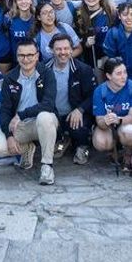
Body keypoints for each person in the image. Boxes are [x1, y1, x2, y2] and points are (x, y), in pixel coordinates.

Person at [0, 39, 60, 185]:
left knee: (45, 117)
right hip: (20, 125)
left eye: (30, 55)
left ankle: (47, 166)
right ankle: (27, 148)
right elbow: (5, 110)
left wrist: (21, 114)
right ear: (17, 57)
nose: (26, 59)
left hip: (42, 122)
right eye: (21, 55)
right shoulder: (10, 77)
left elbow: (48, 104)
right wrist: (9, 135)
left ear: (37, 56)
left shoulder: (47, 73)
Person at [46, 33, 96, 165]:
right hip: (54, 114)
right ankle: (62, 141)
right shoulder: (43, 69)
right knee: (45, 121)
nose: (63, 52)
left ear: (71, 50)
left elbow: (93, 95)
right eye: (58, 49)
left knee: (79, 128)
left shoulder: (83, 69)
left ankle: (83, 146)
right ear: (52, 50)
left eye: (66, 48)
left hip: (74, 113)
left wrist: (80, 109)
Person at [90, 58, 132, 168]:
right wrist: (105, 121)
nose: (124, 76)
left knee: (130, 132)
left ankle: (128, 154)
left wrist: (119, 120)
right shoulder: (100, 91)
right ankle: (114, 152)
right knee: (101, 142)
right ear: (108, 76)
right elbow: (99, 120)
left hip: (125, 123)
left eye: (125, 72)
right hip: (109, 127)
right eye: (119, 73)